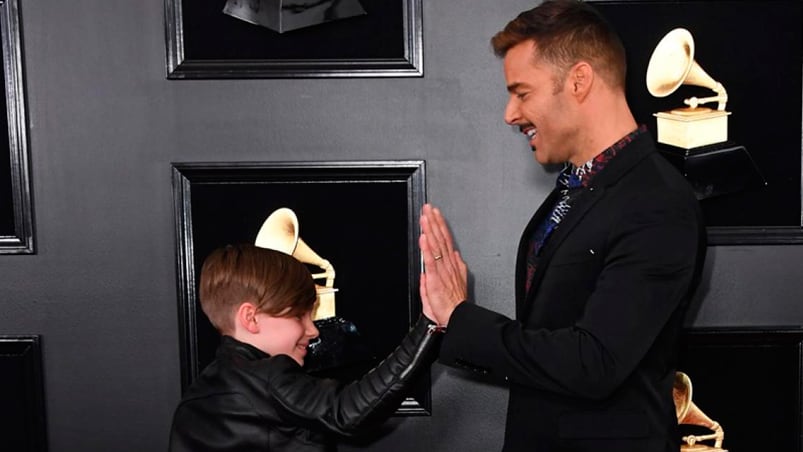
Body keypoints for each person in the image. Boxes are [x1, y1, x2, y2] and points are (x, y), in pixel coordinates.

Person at [418, 1, 707, 451]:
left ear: (579, 80)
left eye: (522, 92)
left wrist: (462, 321)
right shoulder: (580, 187)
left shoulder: (657, 202)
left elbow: (594, 362)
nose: (509, 114)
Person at [169, 243, 442, 452]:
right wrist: (431, 325)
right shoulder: (269, 377)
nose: (312, 330)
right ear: (250, 318)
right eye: (299, 315)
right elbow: (346, 412)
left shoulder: (195, 399)